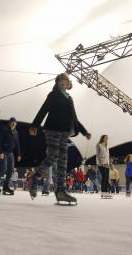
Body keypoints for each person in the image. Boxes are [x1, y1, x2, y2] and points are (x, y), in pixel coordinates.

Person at [27, 73, 91, 205]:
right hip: (52, 130)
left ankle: (60, 191)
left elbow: (74, 118)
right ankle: (34, 178)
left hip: (64, 133)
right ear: (57, 83)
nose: (62, 82)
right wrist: (34, 125)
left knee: (63, 161)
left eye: (64, 80)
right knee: (53, 156)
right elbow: (44, 109)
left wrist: (84, 131)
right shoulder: (53, 95)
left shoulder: (69, 98)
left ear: (68, 83)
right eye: (59, 80)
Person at [0, 117, 21, 195]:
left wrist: (18, 154)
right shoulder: (4, 130)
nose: (13, 125)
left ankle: (6, 187)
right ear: (9, 123)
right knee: (3, 168)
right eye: (12, 123)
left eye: (15, 124)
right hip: (3, 152)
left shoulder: (15, 132)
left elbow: (17, 144)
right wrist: (0, 152)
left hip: (11, 153)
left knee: (10, 170)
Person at [96, 135, 111, 199]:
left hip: (107, 163)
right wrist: (100, 162)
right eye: (105, 138)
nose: (107, 139)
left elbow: (108, 155)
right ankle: (103, 191)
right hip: (101, 163)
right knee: (104, 177)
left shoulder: (107, 146)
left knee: (107, 178)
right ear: (102, 138)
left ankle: (106, 192)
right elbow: (97, 154)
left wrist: (109, 162)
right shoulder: (99, 145)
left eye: (107, 138)